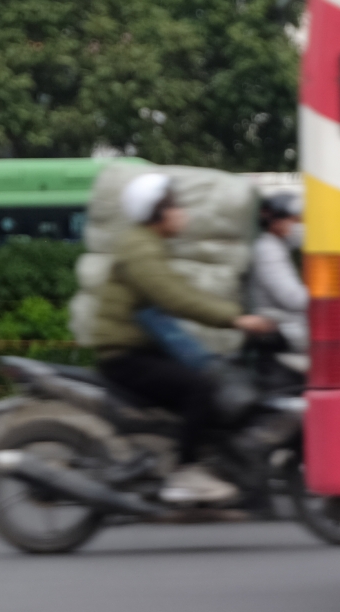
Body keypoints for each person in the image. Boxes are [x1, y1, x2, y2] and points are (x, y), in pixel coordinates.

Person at [93, 172, 277, 506]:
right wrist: (235, 318)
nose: (181, 212)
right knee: (199, 388)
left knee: (209, 373)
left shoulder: (148, 244)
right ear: (158, 212)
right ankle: (185, 472)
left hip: (142, 348)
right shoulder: (140, 249)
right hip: (124, 356)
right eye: (175, 205)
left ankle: (194, 458)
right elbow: (175, 297)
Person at [249, 191, 308, 352]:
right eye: (295, 220)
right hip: (285, 328)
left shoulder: (278, 246)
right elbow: (294, 298)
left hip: (292, 324)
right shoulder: (268, 250)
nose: (300, 225)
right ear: (275, 222)